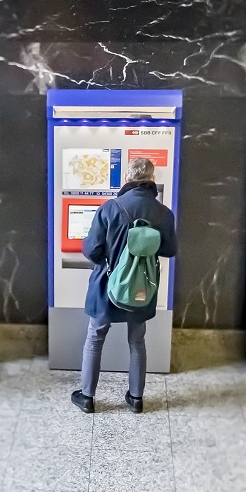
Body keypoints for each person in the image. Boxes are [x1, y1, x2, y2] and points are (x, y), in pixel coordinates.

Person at [70, 158, 177, 414]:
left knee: (95, 337)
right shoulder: (163, 213)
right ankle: (136, 398)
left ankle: (87, 396)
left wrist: (109, 260)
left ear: (128, 177)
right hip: (143, 286)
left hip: (107, 285)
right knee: (137, 341)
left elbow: (92, 250)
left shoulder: (110, 208)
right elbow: (170, 249)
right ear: (152, 179)